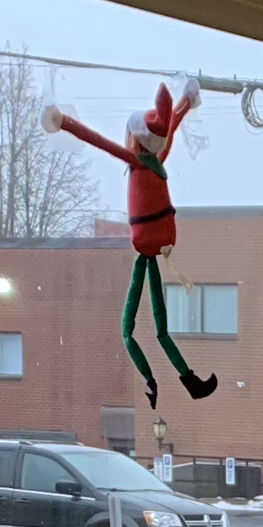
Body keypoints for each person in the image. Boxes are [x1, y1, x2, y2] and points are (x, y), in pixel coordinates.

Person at [41, 79, 221, 412]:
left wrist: (63, 122)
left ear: (134, 139)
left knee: (129, 329)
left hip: (147, 253)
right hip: (158, 249)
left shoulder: (138, 161)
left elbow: (96, 141)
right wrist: (184, 102)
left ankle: (154, 380)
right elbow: (172, 128)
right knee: (159, 329)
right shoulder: (158, 161)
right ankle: (186, 381)